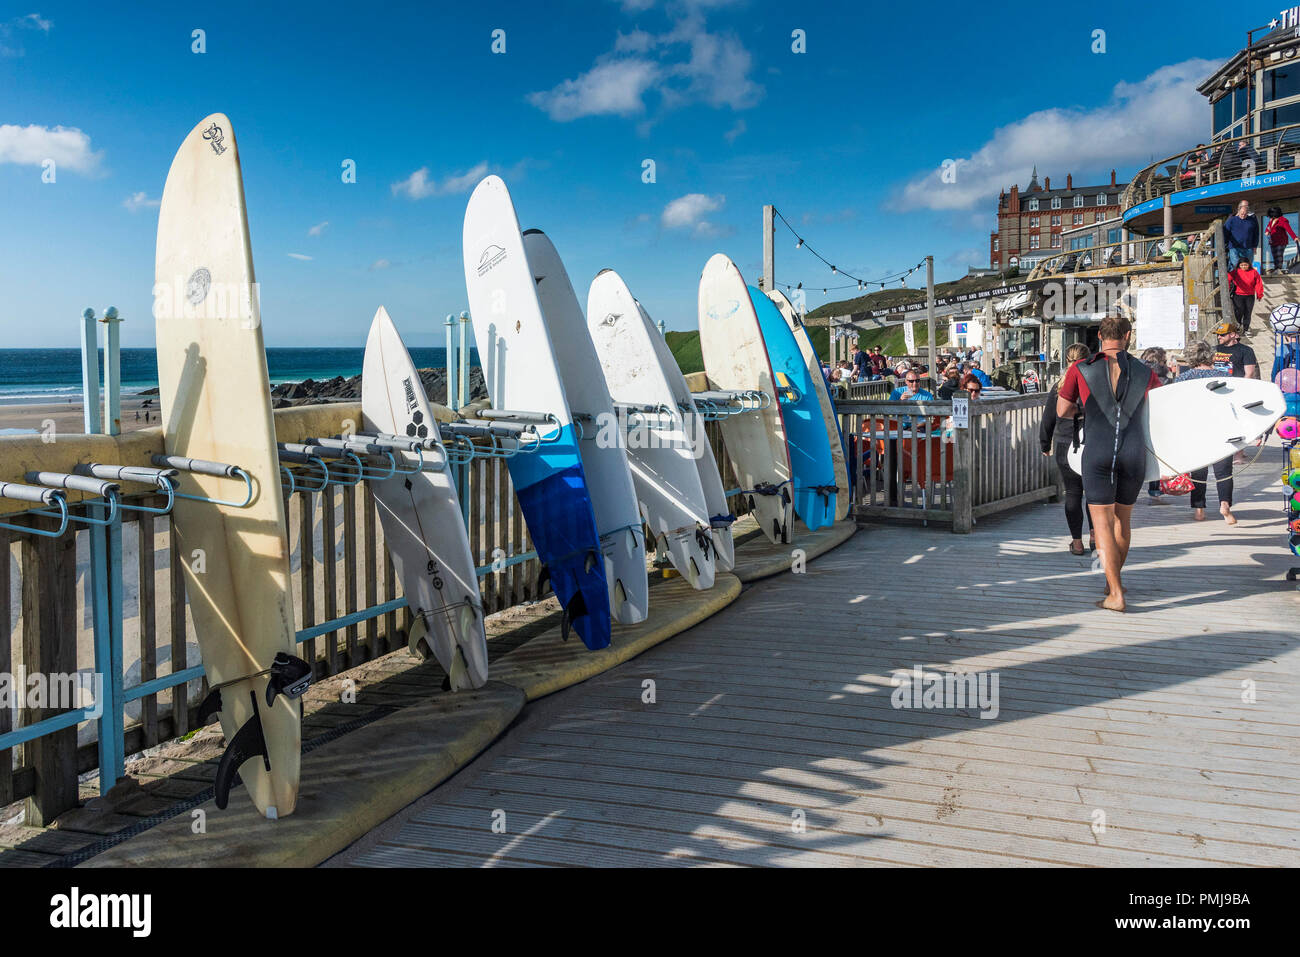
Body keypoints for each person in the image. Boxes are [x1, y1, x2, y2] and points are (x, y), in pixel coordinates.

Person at [1056, 315, 1163, 612]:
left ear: (1100, 337)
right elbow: (1158, 410)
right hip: (1132, 451)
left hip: (1098, 449)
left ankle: (1115, 593)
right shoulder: (1145, 370)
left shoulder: (1081, 368)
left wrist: (1086, 408)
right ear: (1128, 336)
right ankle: (1112, 581)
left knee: (1101, 523)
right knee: (1122, 521)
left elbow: (1063, 410)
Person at [1041, 342, 1095, 555]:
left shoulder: (1059, 386)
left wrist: (1045, 444)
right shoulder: (1093, 382)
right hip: (1091, 442)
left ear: (1066, 360)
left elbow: (1048, 418)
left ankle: (1077, 542)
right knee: (1093, 493)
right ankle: (1095, 536)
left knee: (1072, 492)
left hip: (1065, 443)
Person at [1175, 339, 1236, 525]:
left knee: (1199, 471)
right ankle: (1225, 505)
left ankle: (1199, 510)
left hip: (1195, 428)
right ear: (1209, 354)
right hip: (1220, 426)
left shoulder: (1183, 379)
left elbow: (1175, 406)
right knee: (1224, 470)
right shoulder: (1222, 375)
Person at [1140, 347, 1172, 504]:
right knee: (1157, 456)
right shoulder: (1164, 379)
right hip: (1158, 422)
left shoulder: (1137, 375)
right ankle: (1155, 490)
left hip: (1138, 420)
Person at [1227, 258, 1264, 334]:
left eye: (1245, 265)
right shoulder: (1236, 271)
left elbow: (1258, 283)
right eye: (1242, 265)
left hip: (1250, 296)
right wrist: (1228, 289)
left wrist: (1259, 294)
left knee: (1248, 312)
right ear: (1239, 265)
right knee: (1238, 311)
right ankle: (1238, 325)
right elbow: (1228, 278)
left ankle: (1246, 329)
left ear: (1249, 265)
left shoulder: (1254, 272)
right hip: (1238, 295)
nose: (1244, 267)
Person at [1223, 200, 1258, 269]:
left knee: (1248, 266)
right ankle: (1235, 279)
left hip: (1248, 247)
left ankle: (1246, 279)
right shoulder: (1231, 220)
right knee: (1236, 266)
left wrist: (1255, 246)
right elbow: (1225, 232)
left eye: (1245, 214)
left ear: (1247, 213)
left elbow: (1256, 233)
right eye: (1242, 213)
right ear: (1238, 211)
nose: (1243, 215)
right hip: (1234, 247)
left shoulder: (1252, 220)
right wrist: (1225, 245)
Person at [1265, 207, 1298, 274]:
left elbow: (1289, 230)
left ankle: (1279, 268)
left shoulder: (1283, 220)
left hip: (1281, 241)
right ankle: (1276, 268)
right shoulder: (1271, 221)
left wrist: (1295, 237)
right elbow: (1268, 228)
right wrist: (1267, 231)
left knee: (1279, 255)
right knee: (1275, 255)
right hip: (1273, 241)